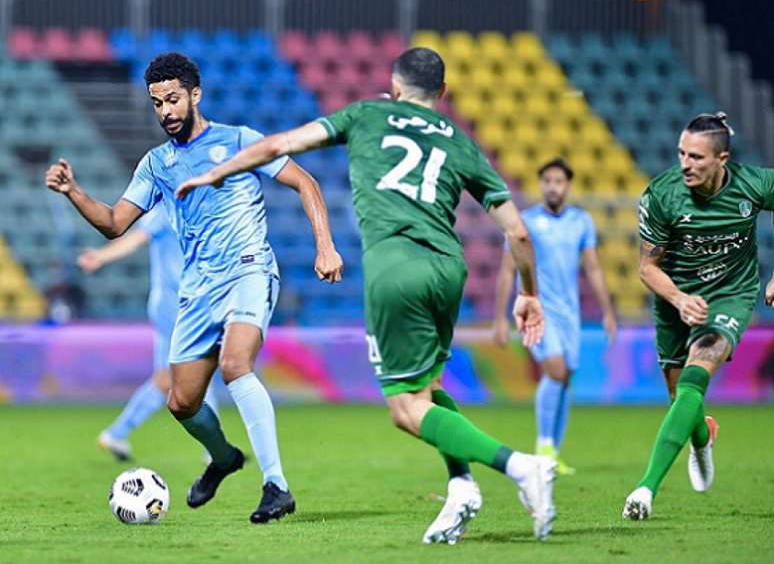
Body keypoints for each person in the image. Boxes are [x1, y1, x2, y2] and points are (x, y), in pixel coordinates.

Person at [176, 47, 556, 544]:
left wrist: (215, 172)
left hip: (394, 272)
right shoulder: (461, 143)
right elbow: (519, 233)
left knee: (405, 410)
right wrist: (530, 294)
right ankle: (462, 486)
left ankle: (521, 466)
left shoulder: (368, 113)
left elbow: (279, 145)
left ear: (394, 87)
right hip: (448, 268)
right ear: (441, 95)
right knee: (429, 386)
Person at [46, 52, 344, 524]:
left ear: (195, 95)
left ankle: (276, 485)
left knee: (235, 365)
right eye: (156, 102)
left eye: (172, 99)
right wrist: (74, 192)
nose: (165, 110)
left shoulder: (240, 141)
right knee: (182, 401)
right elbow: (114, 223)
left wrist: (324, 247)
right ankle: (224, 458)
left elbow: (305, 183)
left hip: (248, 270)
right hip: (197, 288)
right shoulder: (157, 163)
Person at [622, 112, 774, 520]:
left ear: (722, 158)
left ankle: (644, 490)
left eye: (696, 157)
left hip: (731, 295)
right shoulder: (661, 195)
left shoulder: (754, 184)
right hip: (675, 299)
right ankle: (702, 436)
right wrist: (679, 299)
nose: (685, 164)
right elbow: (646, 268)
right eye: (681, 154)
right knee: (680, 401)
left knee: (694, 381)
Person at [493, 158, 617, 475]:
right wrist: (499, 319)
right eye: (547, 180)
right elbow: (507, 271)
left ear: (568, 186)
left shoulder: (581, 221)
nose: (552, 186)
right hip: (538, 312)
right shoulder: (525, 222)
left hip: (569, 314)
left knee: (565, 378)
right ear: (540, 184)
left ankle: (552, 453)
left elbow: (593, 268)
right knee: (556, 369)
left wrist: (607, 312)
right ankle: (543, 445)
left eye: (558, 181)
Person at [77, 206, 219, 461]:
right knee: (200, 370)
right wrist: (101, 257)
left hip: (177, 305)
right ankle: (214, 449)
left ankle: (116, 433)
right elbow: (136, 238)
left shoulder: (201, 207)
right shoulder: (170, 207)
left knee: (165, 379)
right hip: (177, 305)